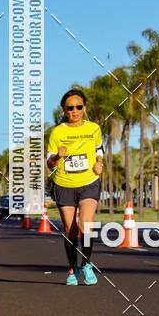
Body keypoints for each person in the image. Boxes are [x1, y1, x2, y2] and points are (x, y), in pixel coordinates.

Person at [45, 89, 103, 286]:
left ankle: (86, 263)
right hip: (64, 184)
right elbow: (49, 163)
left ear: (84, 108)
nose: (75, 111)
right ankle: (73, 268)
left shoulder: (94, 128)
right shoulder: (57, 132)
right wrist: (57, 157)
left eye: (79, 107)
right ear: (64, 110)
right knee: (70, 229)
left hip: (88, 182)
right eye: (70, 108)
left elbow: (98, 149)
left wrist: (100, 162)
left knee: (85, 224)